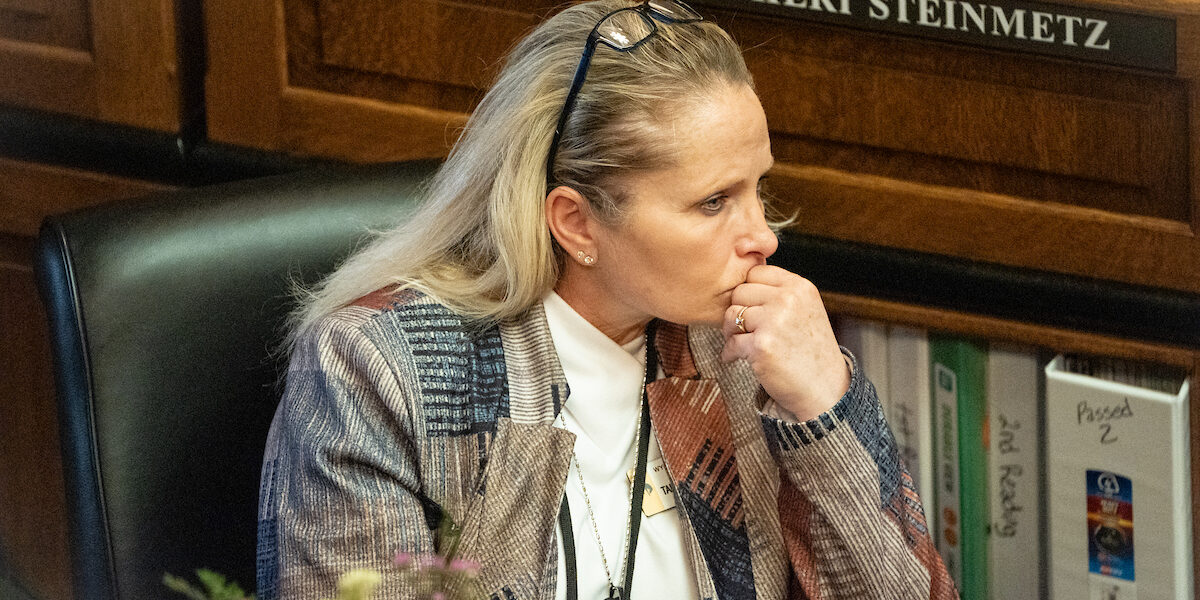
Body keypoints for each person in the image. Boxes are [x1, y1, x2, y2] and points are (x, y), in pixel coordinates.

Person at [256, 1, 957, 598]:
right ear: (578, 224)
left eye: (757, 188)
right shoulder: (381, 371)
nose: (764, 238)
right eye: (713, 202)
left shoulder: (745, 347)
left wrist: (824, 408)